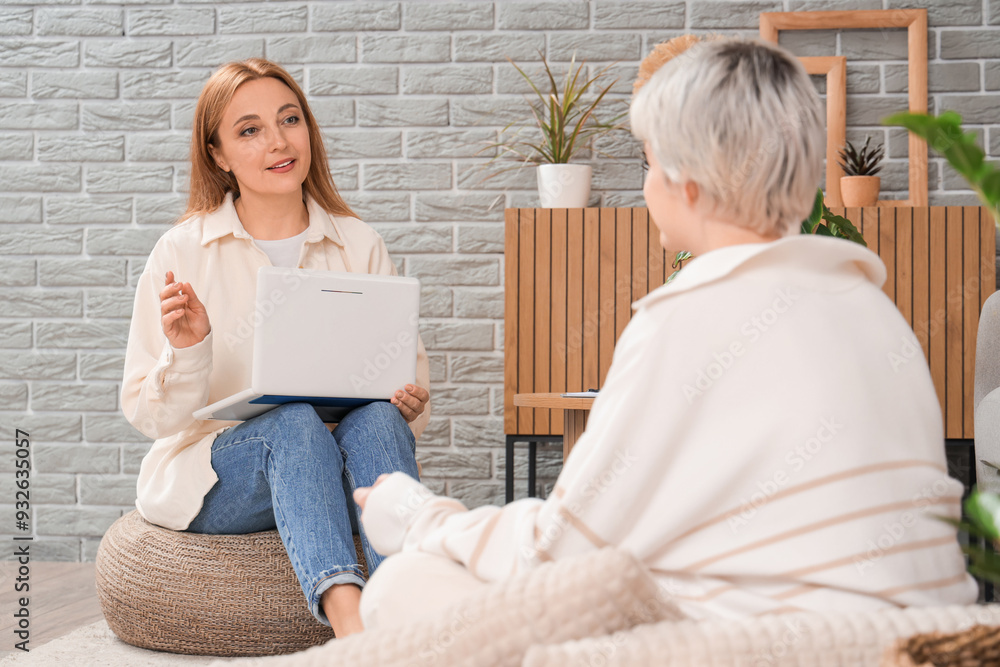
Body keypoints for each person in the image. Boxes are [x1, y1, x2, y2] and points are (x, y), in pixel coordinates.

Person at [353, 38, 977, 629]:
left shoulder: (687, 313)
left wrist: (417, 514)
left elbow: (559, 554)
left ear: (691, 184)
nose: (645, 187)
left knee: (405, 584)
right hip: (919, 625)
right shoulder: (873, 308)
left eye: (648, 163)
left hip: (763, 638)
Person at [121, 58, 430, 637]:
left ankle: (407, 618)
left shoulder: (358, 242)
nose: (279, 141)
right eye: (249, 129)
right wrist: (191, 351)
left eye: (290, 119)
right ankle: (354, 628)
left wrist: (407, 403)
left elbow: (407, 380)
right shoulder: (181, 251)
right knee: (292, 423)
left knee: (379, 421)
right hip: (220, 475)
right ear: (217, 153)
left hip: (334, 459)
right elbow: (149, 417)